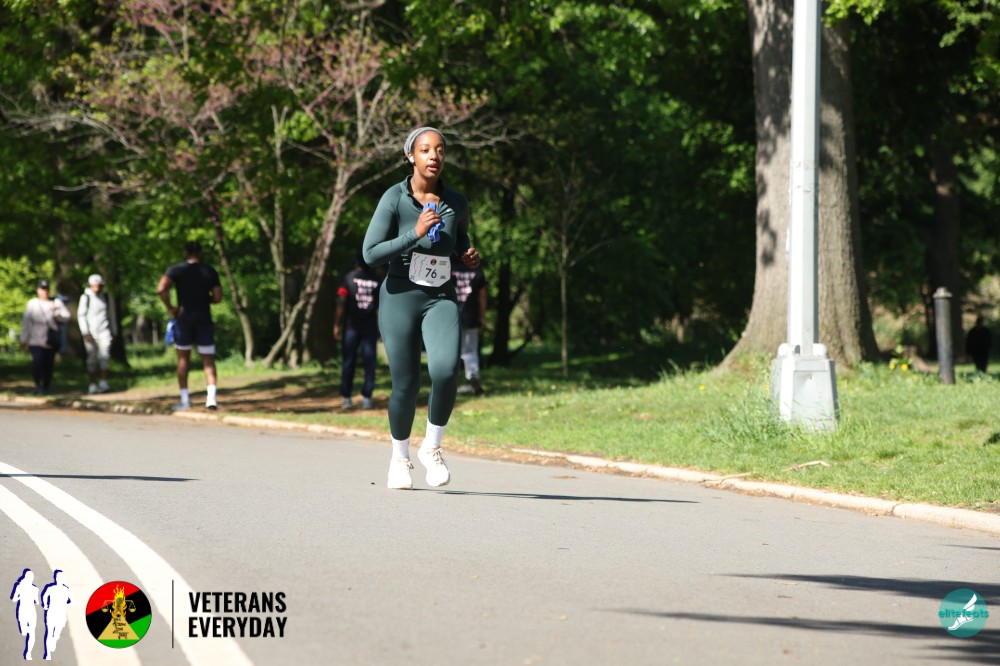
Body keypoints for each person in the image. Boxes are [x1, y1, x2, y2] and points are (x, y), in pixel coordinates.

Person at [362, 126, 481, 489]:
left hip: (440, 296)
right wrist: (414, 233)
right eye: (426, 150)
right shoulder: (394, 198)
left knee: (445, 371)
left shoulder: (456, 202)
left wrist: (466, 253)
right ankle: (399, 459)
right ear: (410, 156)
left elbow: (459, 238)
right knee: (406, 383)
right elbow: (370, 253)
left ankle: (432, 447)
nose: (434, 156)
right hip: (399, 296)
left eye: (440, 150)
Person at [157, 241, 223, 410]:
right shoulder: (209, 270)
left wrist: (170, 307)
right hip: (204, 318)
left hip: (184, 318)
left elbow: (161, 289)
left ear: (186, 252)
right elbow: (217, 297)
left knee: (183, 359)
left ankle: (185, 400)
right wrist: (204, 299)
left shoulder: (176, 270)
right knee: (208, 359)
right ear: (200, 253)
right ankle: (211, 399)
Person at [334, 252, 381, 410]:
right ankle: (367, 398)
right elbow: (380, 307)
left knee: (348, 362)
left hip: (351, 327)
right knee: (370, 362)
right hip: (370, 327)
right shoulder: (377, 281)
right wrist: (380, 328)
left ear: (356, 263)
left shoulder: (348, 278)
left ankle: (346, 397)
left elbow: (341, 301)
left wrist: (336, 324)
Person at [20, 280, 71, 396]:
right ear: (38, 290)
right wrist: (24, 338)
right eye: (42, 289)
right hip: (35, 339)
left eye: (46, 289)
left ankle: (46, 386)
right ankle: (37, 384)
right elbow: (26, 322)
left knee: (48, 364)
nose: (45, 291)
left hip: (51, 339)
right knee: (37, 361)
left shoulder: (56, 302)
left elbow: (66, 317)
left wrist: (56, 311)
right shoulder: (32, 303)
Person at [452, 259, 487, 395]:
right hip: (471, 314)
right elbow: (482, 295)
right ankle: (473, 378)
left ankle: (448, 381)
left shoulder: (448, 266)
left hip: (450, 314)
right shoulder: (477, 270)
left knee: (450, 350)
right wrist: (482, 316)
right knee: (470, 349)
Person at [78, 273, 117, 394]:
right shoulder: (85, 297)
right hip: (90, 333)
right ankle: (92, 384)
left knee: (104, 355)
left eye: (98, 286)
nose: (97, 288)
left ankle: (103, 382)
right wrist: (85, 332)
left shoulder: (106, 297)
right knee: (92, 358)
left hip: (104, 331)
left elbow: (112, 315)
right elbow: (81, 316)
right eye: (94, 286)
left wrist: (114, 331)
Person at [40, 570, 71, 661]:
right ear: (56, 578)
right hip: (51, 612)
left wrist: (65, 605)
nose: (60, 579)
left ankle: (54, 640)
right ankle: (47, 653)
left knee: (56, 633)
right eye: (58, 577)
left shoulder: (66, 590)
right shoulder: (51, 588)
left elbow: (71, 601)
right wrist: (45, 604)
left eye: (61, 578)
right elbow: (45, 596)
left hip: (61, 613)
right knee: (49, 632)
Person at [9, 568, 38, 661]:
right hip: (25, 611)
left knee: (31, 633)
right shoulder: (21, 587)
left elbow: (14, 599)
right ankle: (27, 649)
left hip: (28, 611)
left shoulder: (33, 589)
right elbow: (37, 602)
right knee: (25, 632)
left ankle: (28, 653)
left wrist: (21, 597)